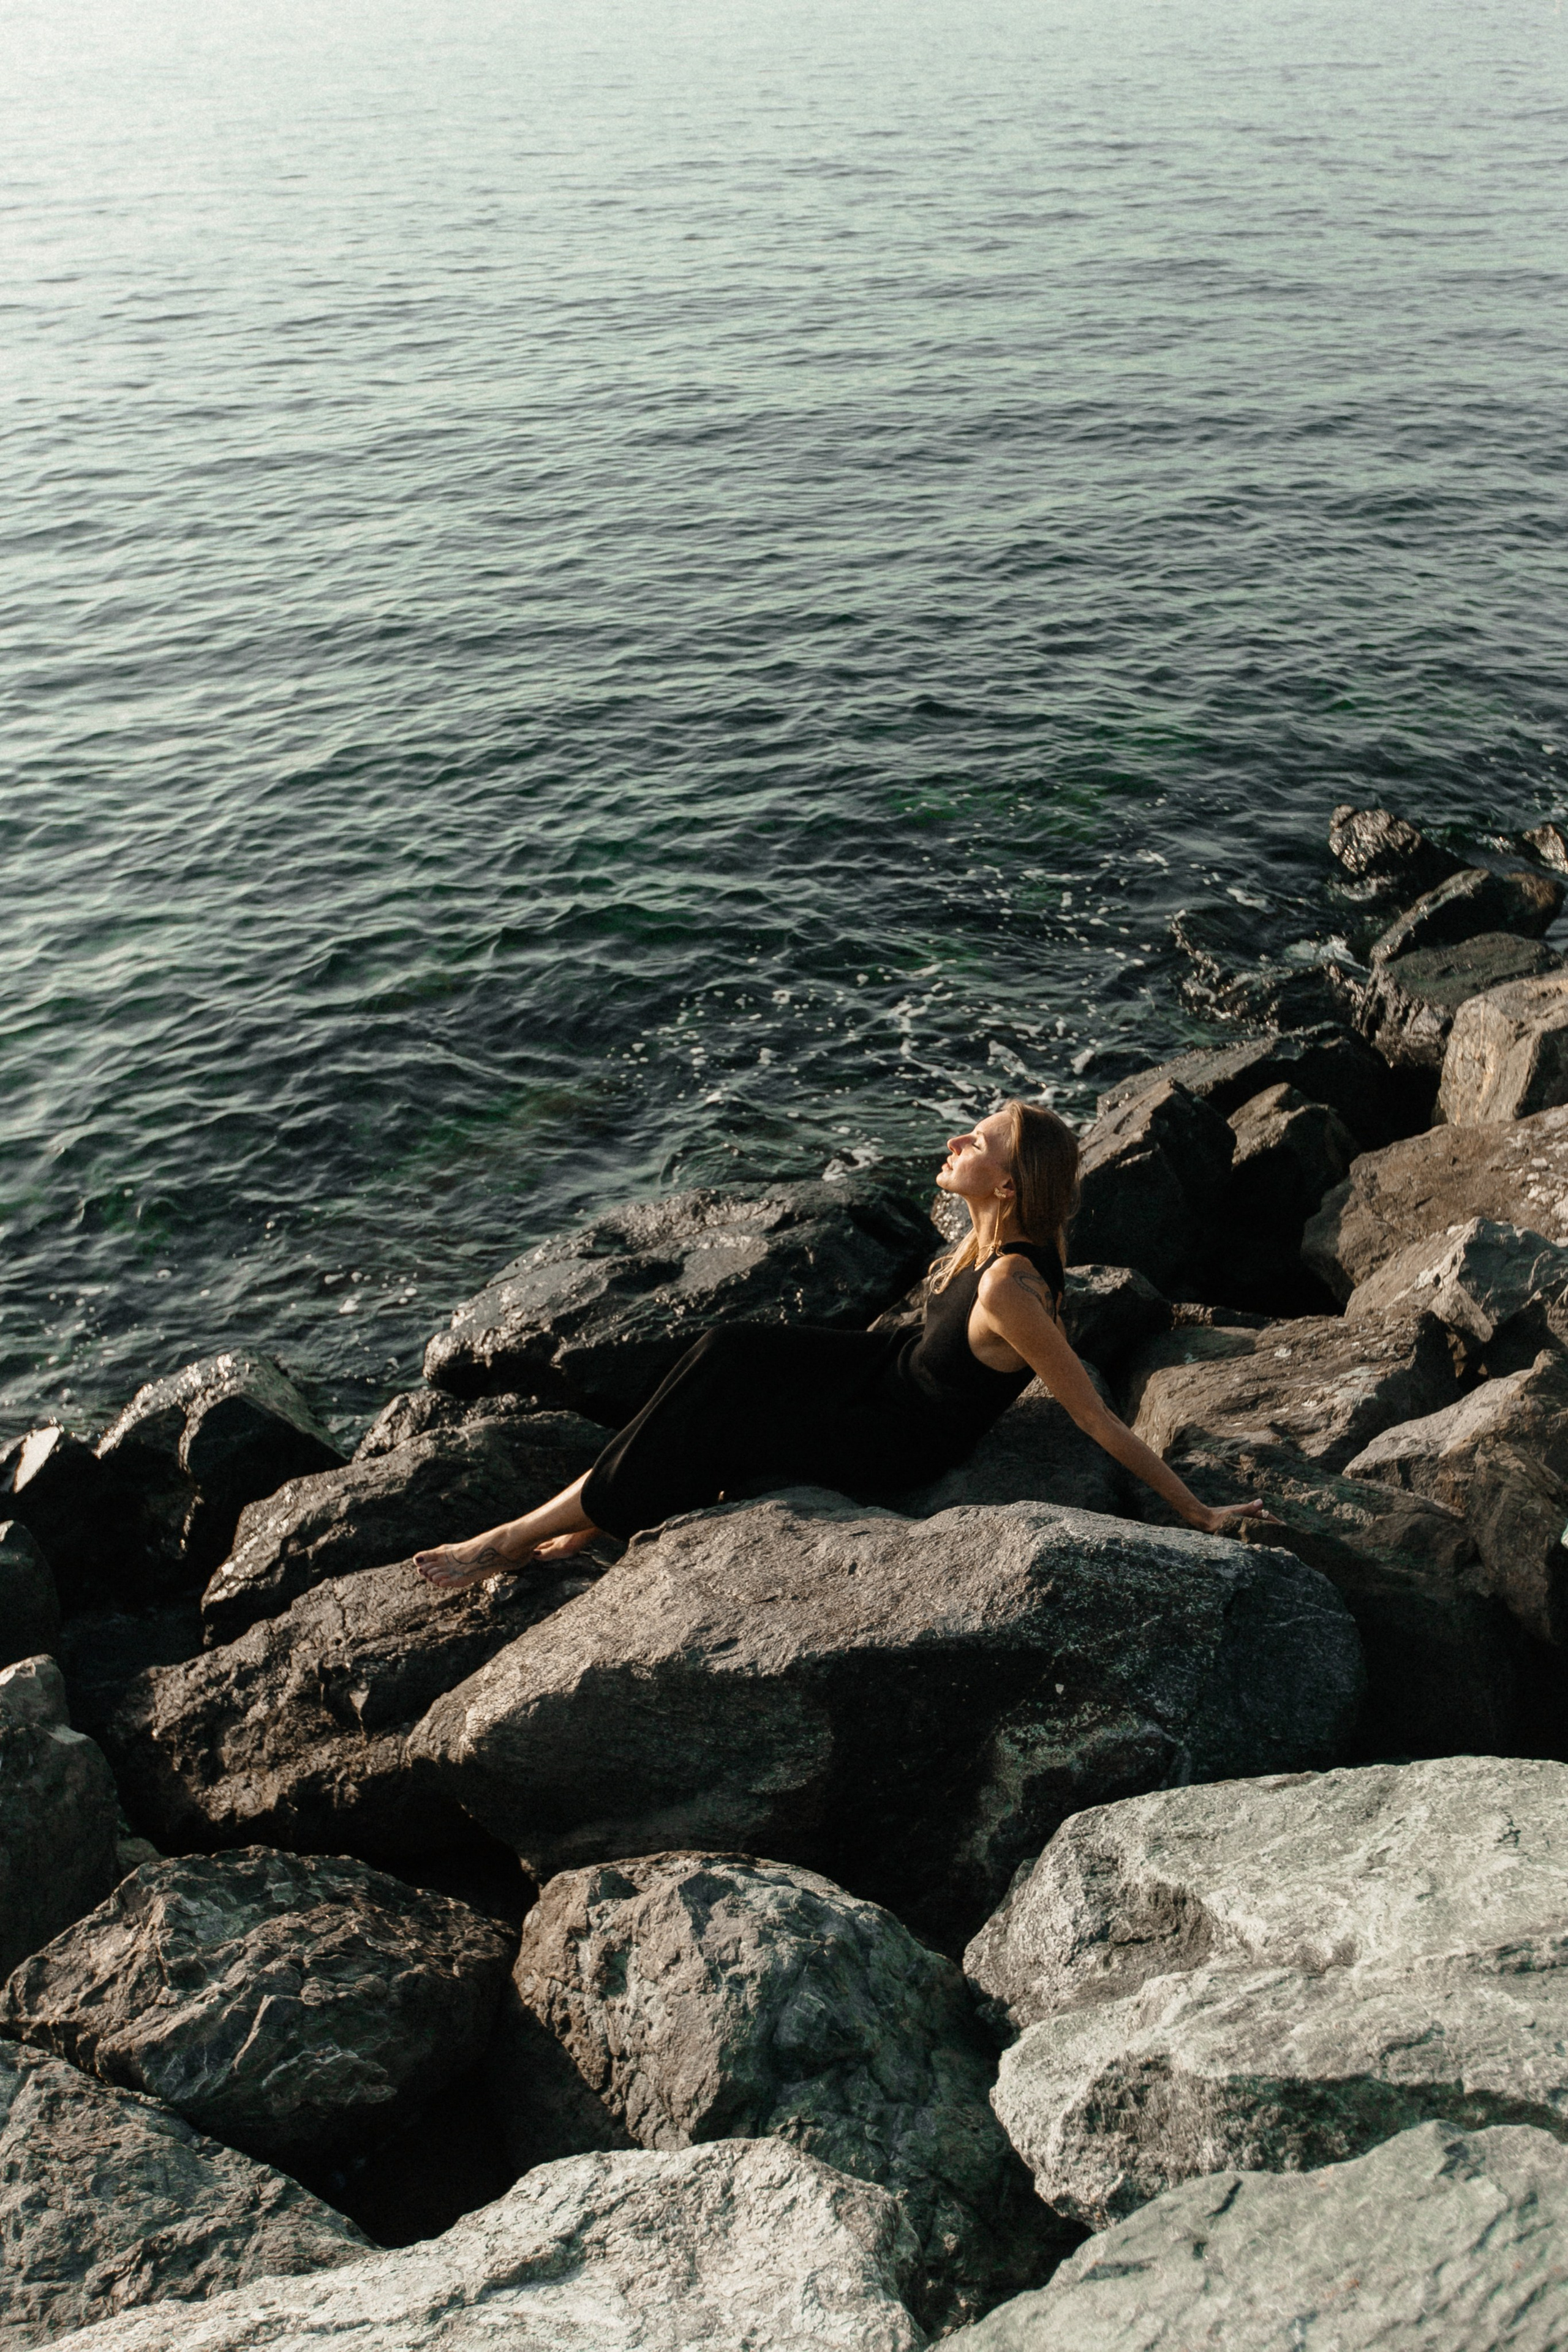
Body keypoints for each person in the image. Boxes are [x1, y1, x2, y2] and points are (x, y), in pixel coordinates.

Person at [415, 1098, 1269, 1596]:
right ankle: (592, 1511)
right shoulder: (985, 1243)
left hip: (896, 1434)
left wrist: (1194, 1509)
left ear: (1007, 1184)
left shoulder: (1013, 1285)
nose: (954, 1143)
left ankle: (516, 1536)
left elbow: (1090, 1415)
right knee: (724, 1349)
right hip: (885, 1370)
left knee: (721, 1421)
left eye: (976, 1142)